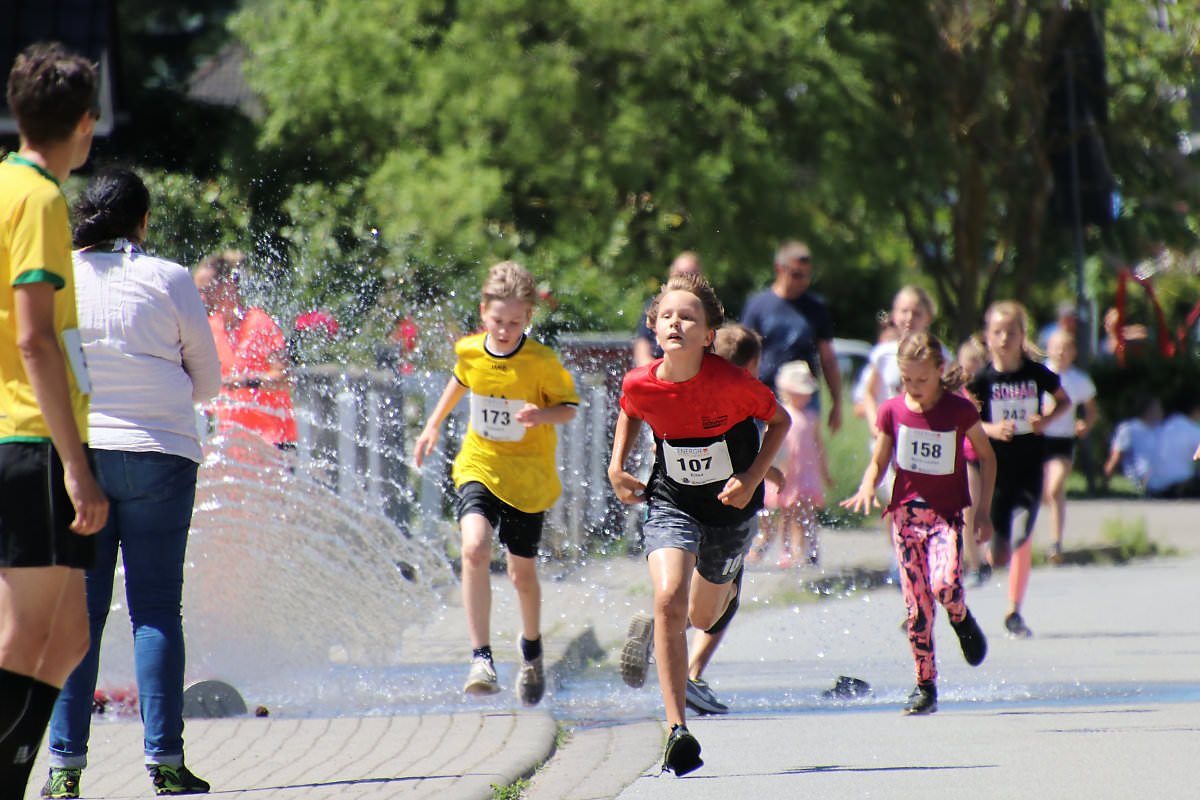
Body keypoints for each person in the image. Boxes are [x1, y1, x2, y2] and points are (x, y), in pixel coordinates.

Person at [42, 168, 220, 797]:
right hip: (161, 457)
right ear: (143, 222)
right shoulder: (169, 278)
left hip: (79, 461)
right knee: (155, 611)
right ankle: (166, 764)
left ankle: (64, 770)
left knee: (77, 617)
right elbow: (208, 383)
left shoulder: (57, 276)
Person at [608, 273, 789, 775]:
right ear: (654, 325)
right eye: (667, 315)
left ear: (708, 334)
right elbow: (630, 408)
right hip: (672, 501)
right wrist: (616, 466)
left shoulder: (732, 384)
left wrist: (753, 477)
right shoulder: (640, 381)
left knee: (705, 617)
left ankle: (724, 589)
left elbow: (780, 423)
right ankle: (676, 730)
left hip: (730, 512)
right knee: (668, 598)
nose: (676, 323)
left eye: (688, 316)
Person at [0, 42, 109, 795]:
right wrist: (76, 466)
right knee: (20, 635)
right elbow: (36, 335)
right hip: (33, 439)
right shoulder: (38, 197)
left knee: (67, 636)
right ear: (84, 125)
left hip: (27, 435)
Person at [413, 262, 578, 704]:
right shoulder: (470, 350)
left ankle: (531, 649)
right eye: (497, 321)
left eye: (514, 322)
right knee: (474, 548)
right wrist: (431, 426)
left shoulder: (542, 362)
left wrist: (541, 415)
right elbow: (461, 379)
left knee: (522, 574)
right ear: (483, 312)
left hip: (527, 476)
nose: (504, 331)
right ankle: (480, 657)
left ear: (528, 319)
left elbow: (569, 408)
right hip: (480, 465)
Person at [841, 331, 995, 715]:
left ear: (939, 371)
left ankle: (960, 617)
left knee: (945, 586)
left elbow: (988, 459)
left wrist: (985, 511)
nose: (914, 388)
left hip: (946, 519)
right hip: (906, 520)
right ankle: (925, 686)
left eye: (921, 381)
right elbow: (879, 459)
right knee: (917, 608)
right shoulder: (892, 411)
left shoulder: (959, 411)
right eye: (906, 380)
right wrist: (866, 485)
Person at [681, 322, 778, 717]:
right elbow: (746, 451)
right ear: (751, 365)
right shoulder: (744, 398)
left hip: (684, 505)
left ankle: (665, 629)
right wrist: (768, 474)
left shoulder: (693, 392)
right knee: (725, 599)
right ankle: (692, 675)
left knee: (686, 586)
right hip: (727, 514)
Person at [967, 301, 1071, 639]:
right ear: (988, 336)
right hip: (995, 472)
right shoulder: (982, 379)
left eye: (1011, 332)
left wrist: (1047, 420)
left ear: (1022, 335)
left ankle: (1014, 610)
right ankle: (984, 561)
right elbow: (965, 420)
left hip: (1029, 465)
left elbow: (1065, 401)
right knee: (999, 554)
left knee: (1022, 535)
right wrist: (993, 430)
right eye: (997, 332)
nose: (1004, 338)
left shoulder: (1037, 373)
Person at [193, 251, 297, 449]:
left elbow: (284, 377)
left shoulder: (259, 323)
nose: (201, 298)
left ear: (228, 286)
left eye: (206, 290)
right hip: (232, 443)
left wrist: (247, 382)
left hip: (272, 442)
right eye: (197, 291)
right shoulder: (209, 329)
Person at [741, 240, 843, 432]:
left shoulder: (816, 308)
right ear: (779, 269)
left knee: (802, 457)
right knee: (762, 457)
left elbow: (827, 357)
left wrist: (836, 402)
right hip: (764, 395)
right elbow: (743, 353)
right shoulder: (758, 305)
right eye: (796, 274)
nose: (803, 281)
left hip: (804, 398)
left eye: (807, 275)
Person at [756, 361, 831, 568]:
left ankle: (809, 549)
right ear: (788, 391)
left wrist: (825, 472)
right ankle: (787, 551)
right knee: (787, 514)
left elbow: (818, 445)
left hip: (807, 473)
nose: (806, 396)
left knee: (807, 512)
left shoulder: (811, 417)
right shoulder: (781, 415)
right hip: (788, 472)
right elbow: (772, 445)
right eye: (801, 392)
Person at [1040, 330, 1099, 562]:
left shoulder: (1079, 380)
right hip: (1038, 438)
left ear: (1073, 352)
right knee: (1042, 493)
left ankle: (1056, 544)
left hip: (1062, 440)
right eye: (1057, 347)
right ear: (1049, 348)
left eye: (1066, 348)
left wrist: (1086, 424)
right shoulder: (1039, 373)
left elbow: (1092, 410)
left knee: (1055, 489)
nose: (1061, 353)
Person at [956, 336, 992, 586]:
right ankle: (973, 563)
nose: (970, 371)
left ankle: (983, 556)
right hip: (966, 456)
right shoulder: (956, 393)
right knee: (967, 511)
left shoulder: (988, 390)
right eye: (966, 365)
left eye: (975, 365)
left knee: (984, 510)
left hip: (987, 456)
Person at [632, 251, 702, 367]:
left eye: (690, 274)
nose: (684, 278)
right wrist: (652, 374)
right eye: (679, 273)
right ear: (671, 275)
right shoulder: (656, 305)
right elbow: (642, 344)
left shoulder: (706, 309)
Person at [1102, 394, 1163, 490]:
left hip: (1160, 475)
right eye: (1158, 407)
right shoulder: (1128, 429)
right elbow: (1116, 457)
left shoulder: (1160, 429)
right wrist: (1105, 482)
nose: (1161, 411)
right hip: (1140, 477)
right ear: (1149, 410)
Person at [1145, 398, 1200, 498]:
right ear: (1196, 411)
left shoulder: (1160, 428)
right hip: (1179, 488)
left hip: (1153, 488)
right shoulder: (1193, 431)